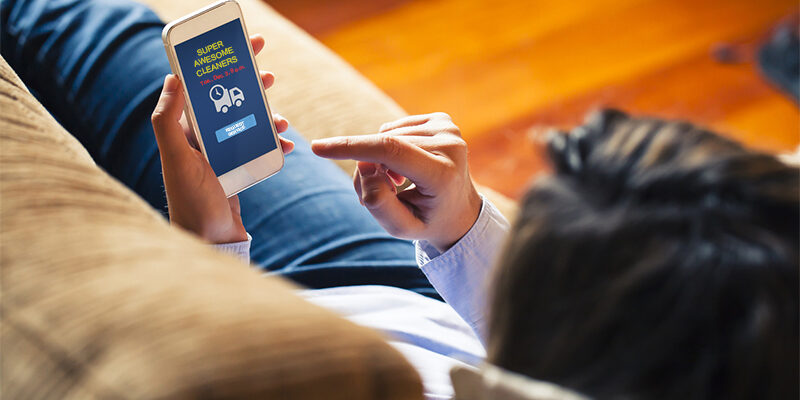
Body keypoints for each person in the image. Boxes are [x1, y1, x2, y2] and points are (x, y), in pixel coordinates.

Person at [2, 1, 797, 399]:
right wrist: (461, 230)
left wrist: (211, 244)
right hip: (389, 280)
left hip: (274, 302)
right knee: (91, 25)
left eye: (526, 255)